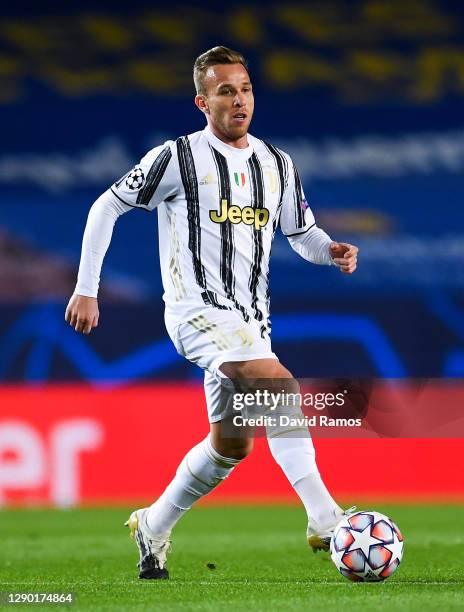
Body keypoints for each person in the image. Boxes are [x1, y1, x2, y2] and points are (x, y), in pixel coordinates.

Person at [65, 46, 359, 580]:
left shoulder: (277, 163)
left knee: (230, 446)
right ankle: (324, 515)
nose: (239, 100)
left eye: (245, 89)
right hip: (195, 312)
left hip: (251, 324)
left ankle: (153, 524)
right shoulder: (176, 157)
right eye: (225, 91)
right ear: (202, 102)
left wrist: (331, 250)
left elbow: (302, 234)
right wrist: (88, 288)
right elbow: (106, 205)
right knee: (280, 387)